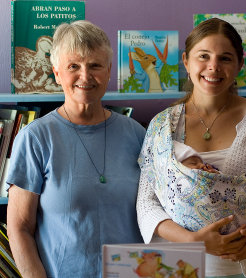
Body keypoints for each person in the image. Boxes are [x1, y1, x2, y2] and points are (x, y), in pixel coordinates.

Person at [137, 18, 246, 278]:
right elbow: (147, 205)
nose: (213, 67)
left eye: (225, 58)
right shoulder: (161, 125)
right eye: (203, 56)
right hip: (180, 267)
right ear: (186, 61)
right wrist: (193, 241)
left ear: (239, 64)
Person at [6, 20, 146, 278]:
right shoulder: (35, 138)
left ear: (109, 71)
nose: (85, 76)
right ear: (57, 73)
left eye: (95, 65)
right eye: (74, 66)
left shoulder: (137, 134)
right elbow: (20, 226)